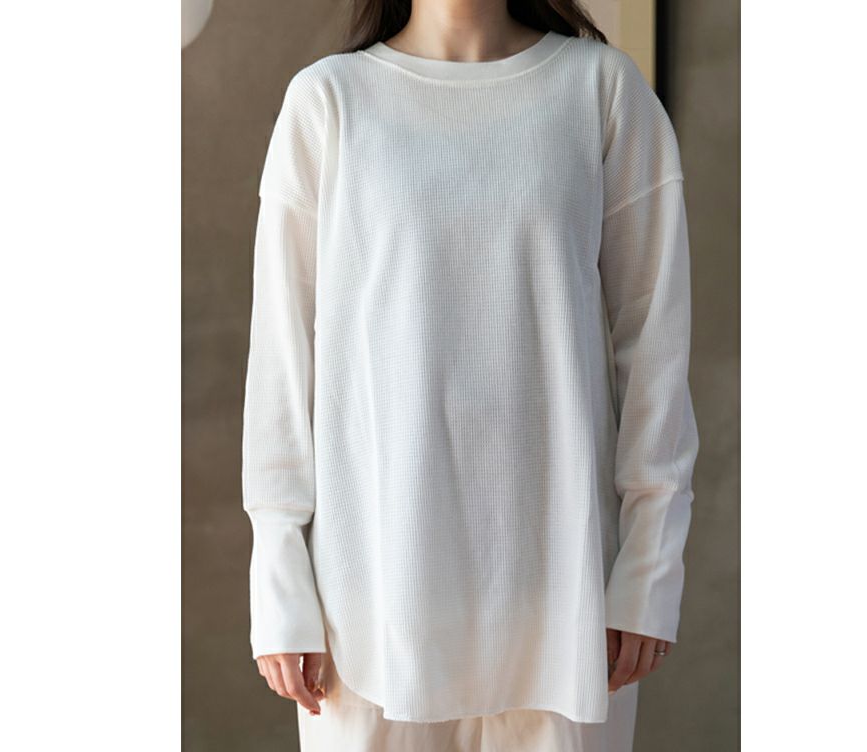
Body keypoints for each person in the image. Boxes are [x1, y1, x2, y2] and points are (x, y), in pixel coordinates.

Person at [241, 1, 699, 749]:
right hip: (367, 603)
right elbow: (282, 359)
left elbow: (654, 348)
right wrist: (280, 579)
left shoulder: (601, 91)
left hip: (562, 599)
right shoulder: (328, 101)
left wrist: (649, 569)